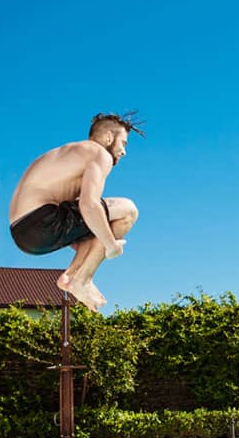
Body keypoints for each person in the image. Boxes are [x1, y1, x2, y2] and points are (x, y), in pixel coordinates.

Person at [8, 112, 143, 312]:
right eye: (123, 143)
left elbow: (84, 219)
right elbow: (89, 205)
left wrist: (98, 241)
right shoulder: (98, 153)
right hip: (42, 219)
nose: (124, 152)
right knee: (128, 211)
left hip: (22, 232)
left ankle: (71, 278)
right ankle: (81, 278)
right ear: (108, 137)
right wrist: (110, 245)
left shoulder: (67, 154)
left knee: (98, 225)